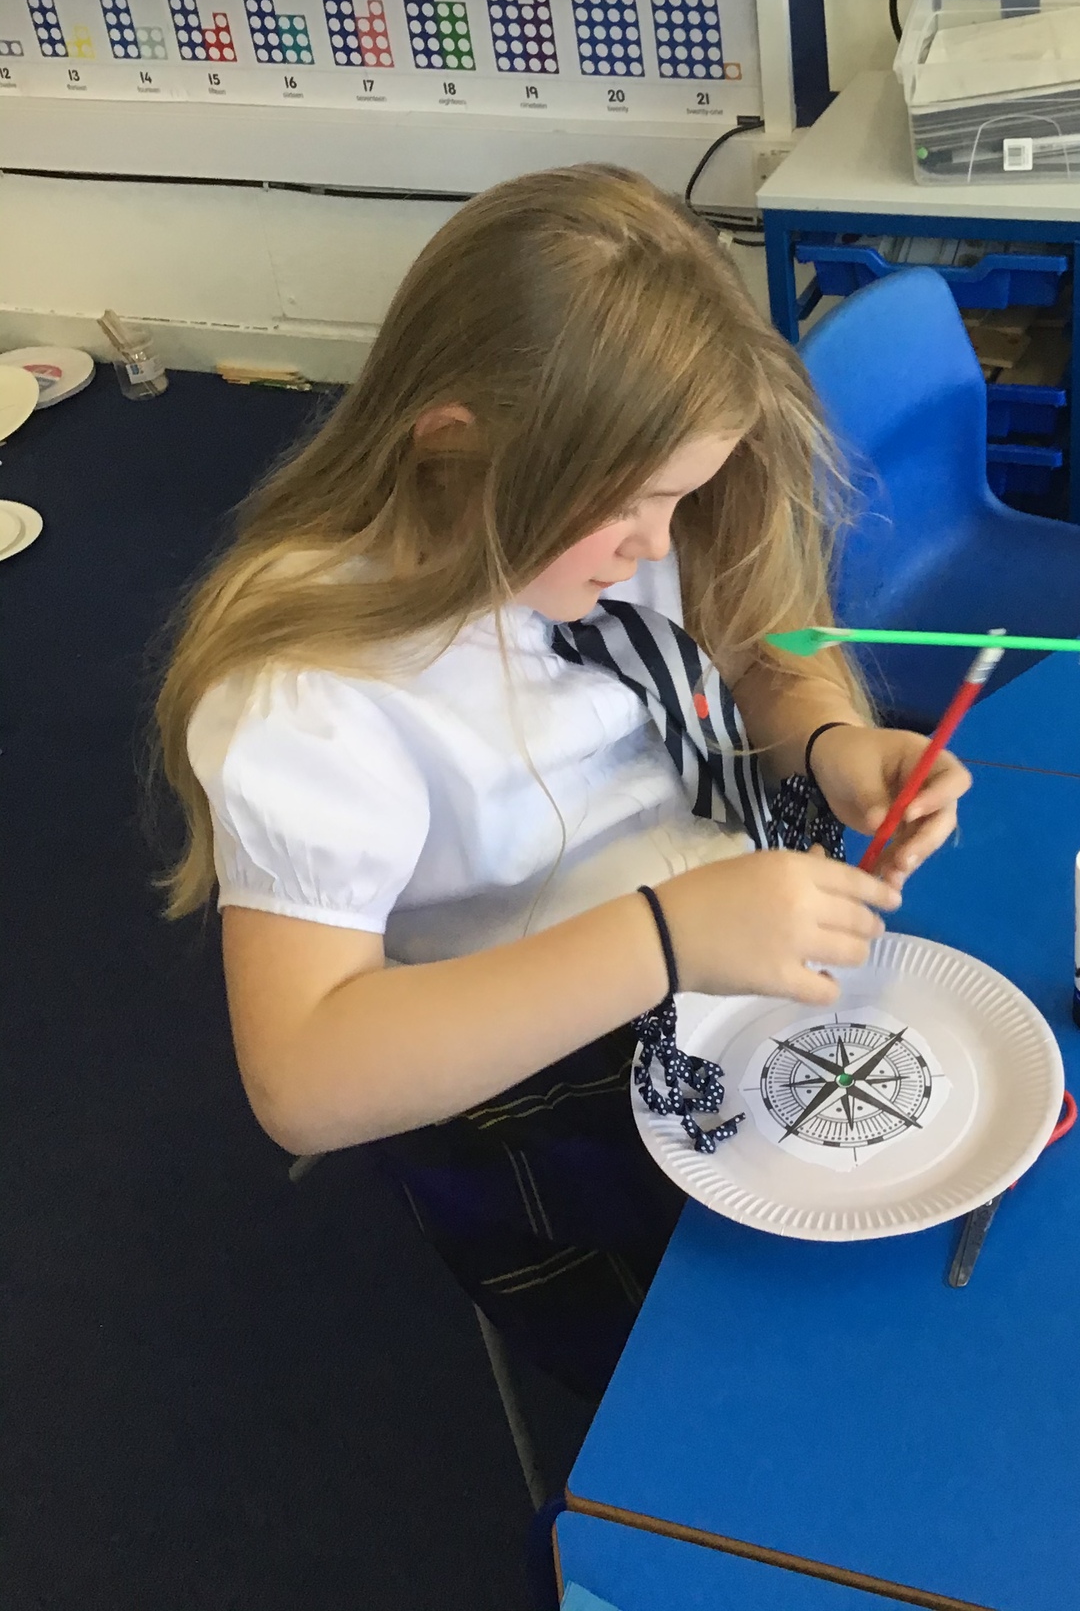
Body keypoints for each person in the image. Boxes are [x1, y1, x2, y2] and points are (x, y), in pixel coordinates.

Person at [156, 166, 971, 1402]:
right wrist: (667, 936)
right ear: (454, 445)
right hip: (539, 1066)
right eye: (636, 507)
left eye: (679, 500)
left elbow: (757, 636)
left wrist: (827, 739)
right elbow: (302, 1078)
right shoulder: (311, 695)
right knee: (782, 1355)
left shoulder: (601, 510)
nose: (659, 542)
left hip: (721, 916)